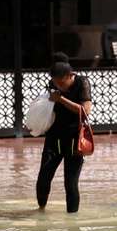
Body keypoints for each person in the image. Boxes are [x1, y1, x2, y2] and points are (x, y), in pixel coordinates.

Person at [36, 52, 93, 213]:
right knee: (43, 178)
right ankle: (40, 212)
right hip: (54, 136)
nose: (58, 86)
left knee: (70, 183)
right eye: (56, 83)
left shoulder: (82, 83)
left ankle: (72, 222)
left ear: (70, 75)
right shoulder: (52, 83)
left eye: (61, 83)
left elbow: (85, 111)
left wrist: (61, 99)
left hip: (75, 138)